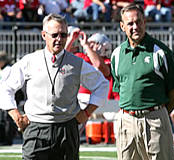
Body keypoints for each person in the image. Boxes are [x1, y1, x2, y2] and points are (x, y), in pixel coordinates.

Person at [0, 13, 109, 160]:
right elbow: (5, 87)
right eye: (55, 35)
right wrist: (16, 116)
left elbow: (102, 85)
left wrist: (87, 113)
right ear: (44, 35)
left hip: (67, 129)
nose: (59, 39)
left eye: (64, 35)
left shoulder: (77, 63)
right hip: (35, 129)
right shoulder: (30, 60)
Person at [111, 3, 174, 160]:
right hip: (126, 121)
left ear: (145, 22)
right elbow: (119, 87)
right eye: (130, 23)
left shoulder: (161, 52)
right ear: (122, 26)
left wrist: (158, 114)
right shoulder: (117, 54)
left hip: (154, 119)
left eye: (138, 22)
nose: (135, 27)